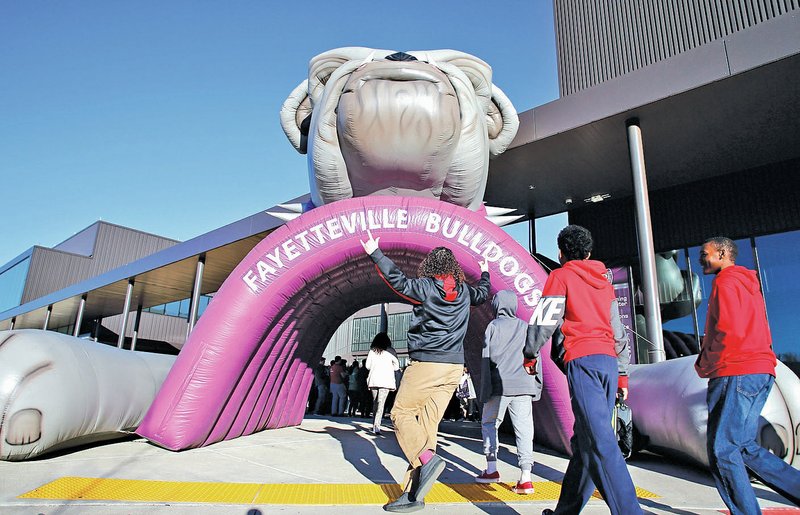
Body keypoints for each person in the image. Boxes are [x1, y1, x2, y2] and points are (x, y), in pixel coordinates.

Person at [361, 230, 490, 513]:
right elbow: (483, 293)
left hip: (427, 364)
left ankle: (427, 461)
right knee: (426, 427)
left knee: (401, 415)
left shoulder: (426, 287)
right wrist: (484, 272)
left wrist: (375, 253)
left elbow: (399, 282)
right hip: (454, 367)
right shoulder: (466, 291)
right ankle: (413, 494)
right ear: (454, 268)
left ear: (431, 266)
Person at [525, 225, 641, 515]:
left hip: (583, 360)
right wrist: (623, 373)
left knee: (601, 440)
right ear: (589, 252)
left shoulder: (560, 276)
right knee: (586, 441)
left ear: (561, 253)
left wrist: (529, 354)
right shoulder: (605, 281)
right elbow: (618, 330)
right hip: (609, 363)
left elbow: (545, 320)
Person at [695, 236, 800, 514]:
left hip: (735, 370)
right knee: (742, 446)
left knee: (722, 450)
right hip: (760, 370)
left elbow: (729, 329)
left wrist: (705, 361)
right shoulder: (749, 285)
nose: (700, 259)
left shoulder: (725, 282)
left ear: (722, 253)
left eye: (704, 254)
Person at [476, 289, 542, 495]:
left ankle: (492, 469)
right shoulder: (525, 327)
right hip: (523, 385)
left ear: (497, 306)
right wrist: (536, 385)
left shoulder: (493, 327)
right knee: (524, 430)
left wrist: (483, 390)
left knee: (489, 424)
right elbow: (534, 356)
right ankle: (526, 478)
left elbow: (486, 359)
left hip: (498, 386)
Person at [366, 332, 400, 435]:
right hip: (385, 381)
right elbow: (397, 367)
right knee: (381, 403)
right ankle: (377, 426)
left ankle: (374, 424)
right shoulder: (391, 351)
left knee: (375, 402)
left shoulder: (372, 351)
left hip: (374, 380)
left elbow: (367, 366)